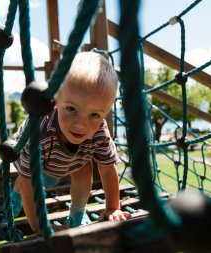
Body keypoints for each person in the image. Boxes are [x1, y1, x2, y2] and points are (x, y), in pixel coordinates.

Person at [12, 51, 132, 233]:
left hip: (69, 161)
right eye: (71, 109)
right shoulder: (41, 131)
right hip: (35, 161)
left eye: (94, 115)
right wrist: (39, 227)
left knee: (85, 168)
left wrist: (113, 207)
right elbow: (30, 182)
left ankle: (76, 214)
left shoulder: (100, 131)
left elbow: (108, 169)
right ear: (56, 100)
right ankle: (15, 192)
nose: (81, 124)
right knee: (26, 178)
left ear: (106, 112)